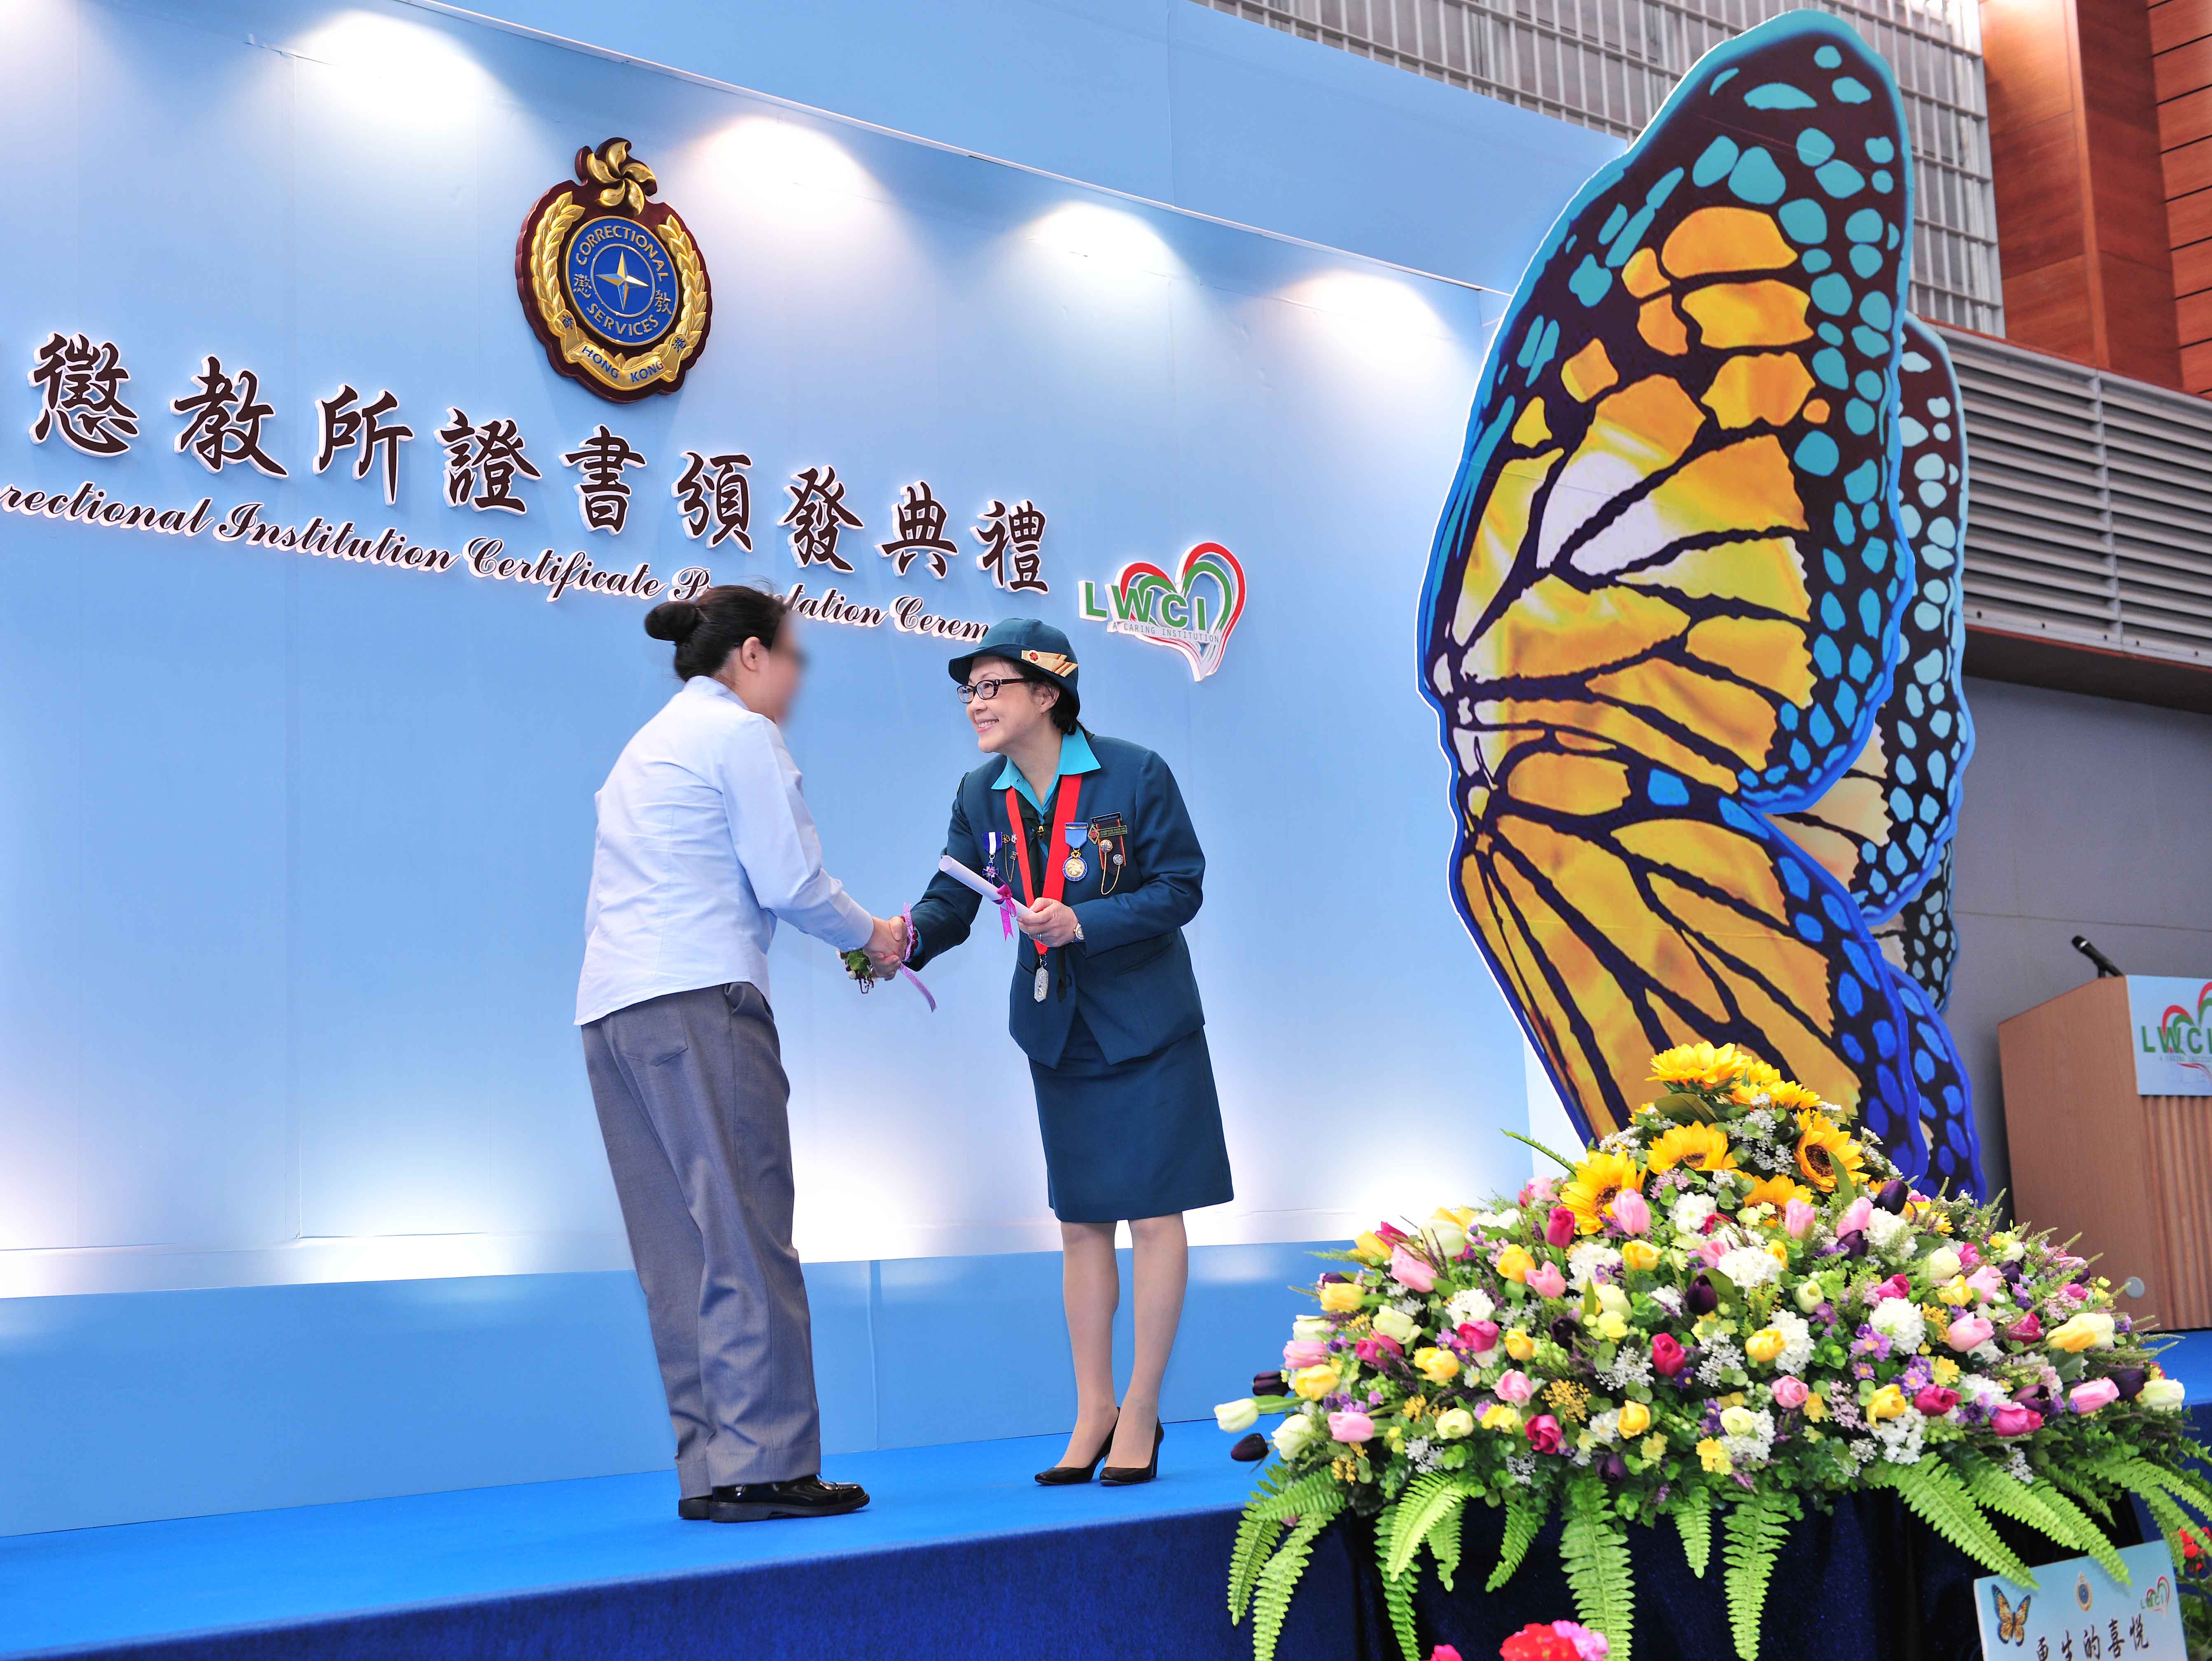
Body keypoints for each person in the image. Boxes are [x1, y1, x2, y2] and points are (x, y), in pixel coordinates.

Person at [576, 583, 905, 1524]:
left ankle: (711, 1469)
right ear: (751, 655)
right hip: (700, 1000)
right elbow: (792, 878)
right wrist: (874, 935)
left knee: (677, 1247)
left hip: (611, 1012)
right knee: (747, 1229)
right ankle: (768, 1465)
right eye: (793, 655)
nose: (797, 677)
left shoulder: (644, 747)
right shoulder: (739, 735)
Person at [896, 618, 1233, 1486]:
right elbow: (953, 897)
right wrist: (901, 940)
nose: (975, 702)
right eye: (968, 690)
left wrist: (1084, 919)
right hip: (1060, 1027)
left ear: (1047, 694)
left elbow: (1180, 886)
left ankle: (1144, 1413)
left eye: (992, 687)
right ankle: (1094, 1411)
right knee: (1082, 1224)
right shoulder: (982, 793)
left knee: (1156, 1219)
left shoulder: (1134, 772)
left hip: (1149, 1026)